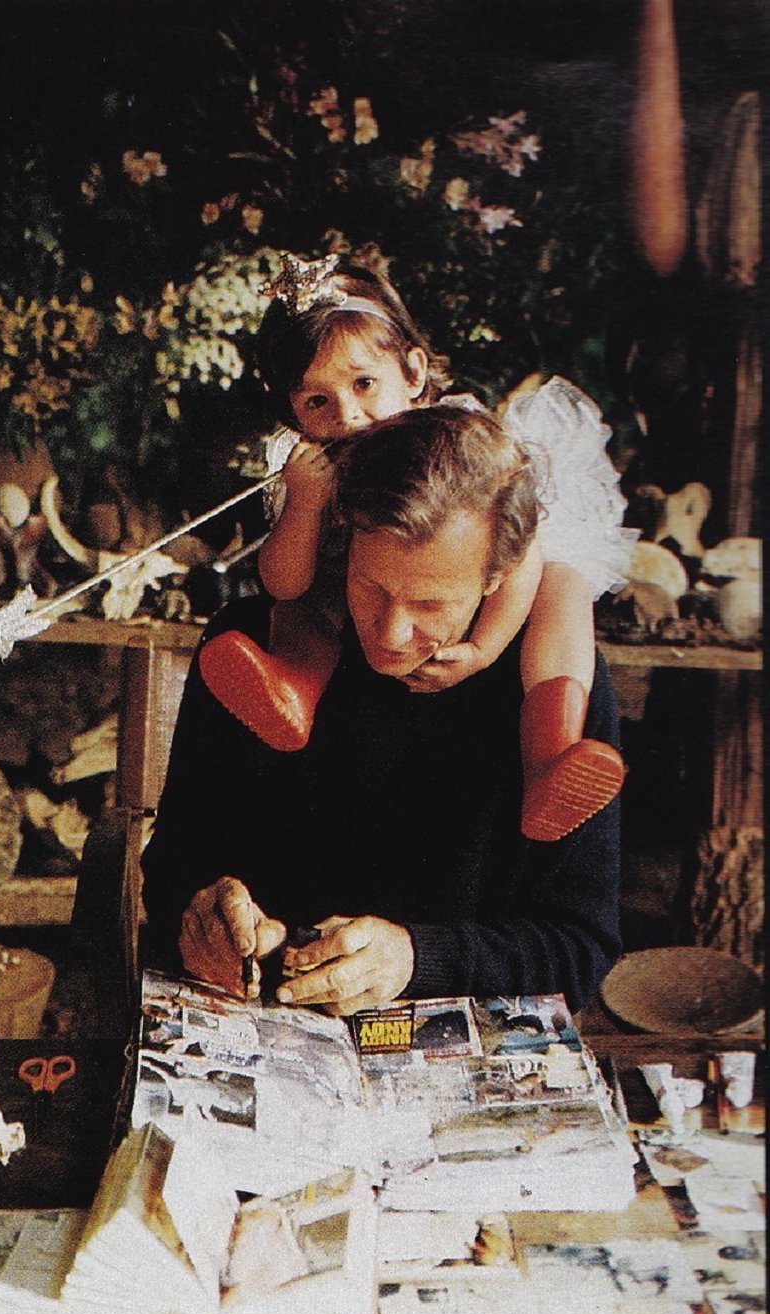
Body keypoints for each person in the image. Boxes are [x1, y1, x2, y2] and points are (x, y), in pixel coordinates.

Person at [141, 404, 623, 1017]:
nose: (392, 634)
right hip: (263, 1014)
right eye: (371, 587)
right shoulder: (255, 646)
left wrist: (415, 959)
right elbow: (173, 870)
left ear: (498, 577)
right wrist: (201, 918)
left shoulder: (551, 680)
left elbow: (580, 949)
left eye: (431, 605)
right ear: (346, 543)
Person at [199, 254, 637, 842]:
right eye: (316, 402)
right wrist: (303, 505)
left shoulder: (457, 444)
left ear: (412, 373)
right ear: (292, 411)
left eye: (363, 384)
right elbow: (284, 584)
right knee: (304, 605)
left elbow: (519, 560)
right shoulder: (310, 467)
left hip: (493, 578)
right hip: (356, 599)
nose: (349, 415)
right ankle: (293, 688)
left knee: (563, 586)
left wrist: (482, 648)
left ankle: (550, 754)